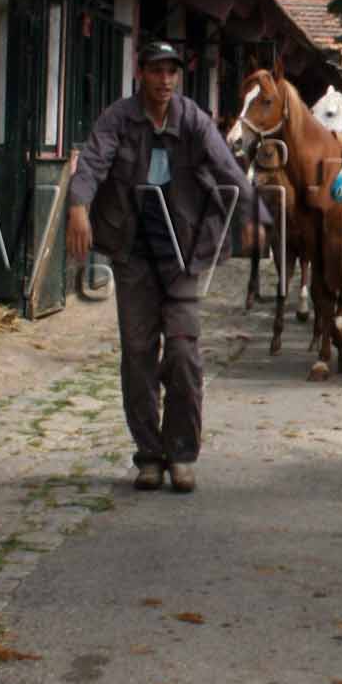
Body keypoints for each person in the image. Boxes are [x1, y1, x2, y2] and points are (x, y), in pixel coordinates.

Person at [65, 42, 261, 493]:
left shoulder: (192, 119)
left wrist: (254, 216)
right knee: (137, 355)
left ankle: (182, 452)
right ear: (142, 73)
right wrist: (79, 205)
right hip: (133, 252)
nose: (165, 80)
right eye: (157, 71)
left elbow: (227, 168)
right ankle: (149, 455)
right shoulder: (119, 117)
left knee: (182, 351)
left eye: (172, 71)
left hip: (183, 253)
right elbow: (93, 161)